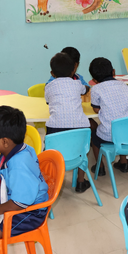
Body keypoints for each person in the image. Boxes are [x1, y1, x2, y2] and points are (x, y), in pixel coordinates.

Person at [0, 106, 49, 242]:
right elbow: (11, 176)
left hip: (29, 211)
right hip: (10, 198)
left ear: (5, 142)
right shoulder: (13, 151)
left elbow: (20, 203)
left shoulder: (18, 164)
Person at [45, 52, 91, 192]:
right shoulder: (77, 83)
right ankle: (81, 181)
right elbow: (85, 89)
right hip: (81, 129)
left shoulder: (49, 86)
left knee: (49, 151)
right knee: (82, 151)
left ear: (52, 73)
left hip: (55, 129)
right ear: (73, 71)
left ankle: (51, 182)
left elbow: (48, 101)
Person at [89, 57, 128, 174]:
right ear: (113, 72)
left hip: (109, 135)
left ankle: (100, 167)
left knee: (94, 136)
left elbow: (96, 109)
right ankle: (124, 163)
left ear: (94, 80)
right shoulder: (123, 85)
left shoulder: (96, 89)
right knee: (121, 121)